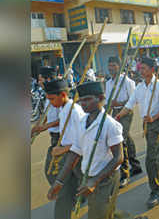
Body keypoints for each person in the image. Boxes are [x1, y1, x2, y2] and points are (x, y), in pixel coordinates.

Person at [47, 81, 123, 219]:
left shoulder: (110, 124)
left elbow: (118, 158)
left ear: (100, 98)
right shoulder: (82, 122)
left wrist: (95, 181)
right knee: (101, 211)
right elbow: (75, 152)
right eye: (81, 100)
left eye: (88, 100)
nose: (83, 104)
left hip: (106, 178)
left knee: (98, 214)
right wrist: (59, 182)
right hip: (88, 175)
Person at [115, 57, 159, 209]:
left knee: (150, 158)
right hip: (145, 123)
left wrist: (154, 117)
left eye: (144, 68)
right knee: (156, 150)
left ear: (152, 70)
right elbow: (129, 104)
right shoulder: (140, 87)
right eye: (140, 68)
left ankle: (155, 190)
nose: (141, 71)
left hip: (155, 124)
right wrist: (118, 116)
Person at [43, 79, 86, 219]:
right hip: (68, 154)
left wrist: (61, 150)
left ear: (62, 94)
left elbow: (80, 141)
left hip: (77, 156)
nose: (50, 103)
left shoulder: (74, 111)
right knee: (66, 189)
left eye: (52, 99)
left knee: (88, 188)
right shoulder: (63, 108)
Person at [105, 56, 142, 188]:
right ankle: (135, 164)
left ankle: (124, 173)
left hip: (126, 112)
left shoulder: (127, 81)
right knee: (127, 138)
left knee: (120, 140)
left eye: (114, 65)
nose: (111, 68)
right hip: (115, 112)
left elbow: (133, 100)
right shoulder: (108, 83)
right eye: (109, 65)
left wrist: (119, 103)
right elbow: (108, 103)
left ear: (119, 67)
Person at [31, 66, 61, 186]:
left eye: (40, 79)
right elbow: (48, 116)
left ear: (48, 79)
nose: (38, 82)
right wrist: (37, 129)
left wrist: (45, 126)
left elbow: (63, 119)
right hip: (54, 136)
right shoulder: (49, 96)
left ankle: (65, 193)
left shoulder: (59, 96)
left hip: (62, 137)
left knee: (52, 169)